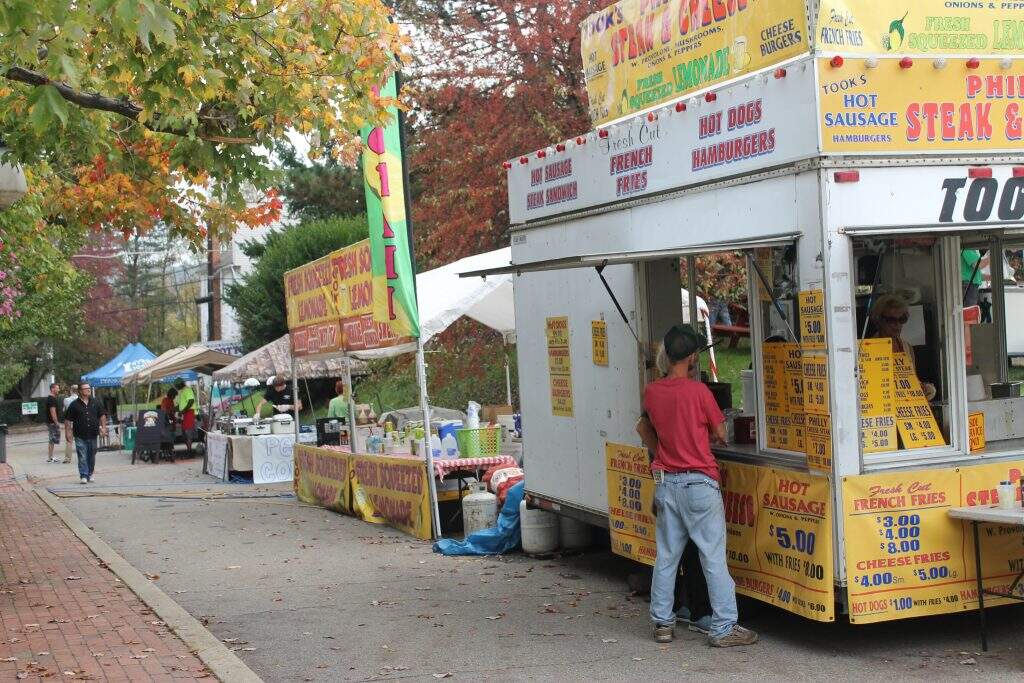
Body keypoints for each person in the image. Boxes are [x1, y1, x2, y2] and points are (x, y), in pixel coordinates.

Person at [636, 324, 757, 647]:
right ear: (692, 358)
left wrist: (662, 451)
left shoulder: (652, 392)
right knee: (712, 558)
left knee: (666, 557)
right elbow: (720, 433)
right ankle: (723, 627)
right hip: (700, 482)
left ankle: (662, 622)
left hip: (666, 482)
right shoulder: (700, 391)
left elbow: (645, 427)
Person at [868, 294, 937, 401]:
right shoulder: (869, 348)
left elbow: (912, 380)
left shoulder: (907, 347)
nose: (897, 324)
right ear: (879, 320)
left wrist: (924, 388)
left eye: (902, 319)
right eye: (891, 320)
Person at [64, 383, 107, 484]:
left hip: (93, 434)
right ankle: (83, 475)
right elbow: (67, 420)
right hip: (79, 434)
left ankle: (91, 472)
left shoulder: (96, 402)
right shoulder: (74, 405)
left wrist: (104, 428)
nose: (88, 390)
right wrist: (68, 432)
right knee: (82, 455)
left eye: (89, 388)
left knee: (92, 454)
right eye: (86, 388)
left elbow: (102, 415)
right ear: (80, 391)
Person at [174, 380, 196, 456]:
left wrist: (183, 411)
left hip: (188, 413)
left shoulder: (187, 390)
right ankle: (188, 450)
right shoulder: (181, 391)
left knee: (188, 433)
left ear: (180, 384)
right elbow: (180, 405)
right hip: (184, 413)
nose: (176, 387)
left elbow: (191, 401)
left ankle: (189, 452)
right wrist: (174, 409)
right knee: (184, 434)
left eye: (176, 386)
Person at [44, 383, 61, 463]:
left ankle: (51, 457)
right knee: (52, 439)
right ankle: (50, 458)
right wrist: (56, 422)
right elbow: (53, 412)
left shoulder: (51, 398)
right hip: (52, 422)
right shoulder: (52, 399)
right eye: (57, 388)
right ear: (52, 389)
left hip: (50, 422)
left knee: (52, 440)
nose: (58, 390)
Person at [61, 384, 78, 464]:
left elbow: (64, 410)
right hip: (79, 421)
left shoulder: (66, 400)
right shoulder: (80, 399)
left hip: (69, 421)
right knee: (80, 439)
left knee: (69, 440)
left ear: (71, 390)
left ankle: (68, 458)